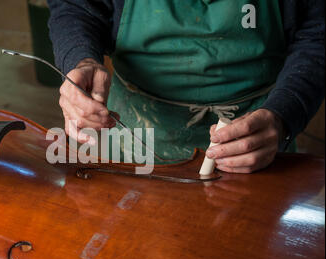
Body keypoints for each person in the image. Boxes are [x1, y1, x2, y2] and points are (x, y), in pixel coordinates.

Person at [47, 0, 324, 173]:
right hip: (131, 134)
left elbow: (317, 32)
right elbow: (76, 6)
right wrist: (81, 59)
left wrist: (285, 114)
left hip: (257, 134)